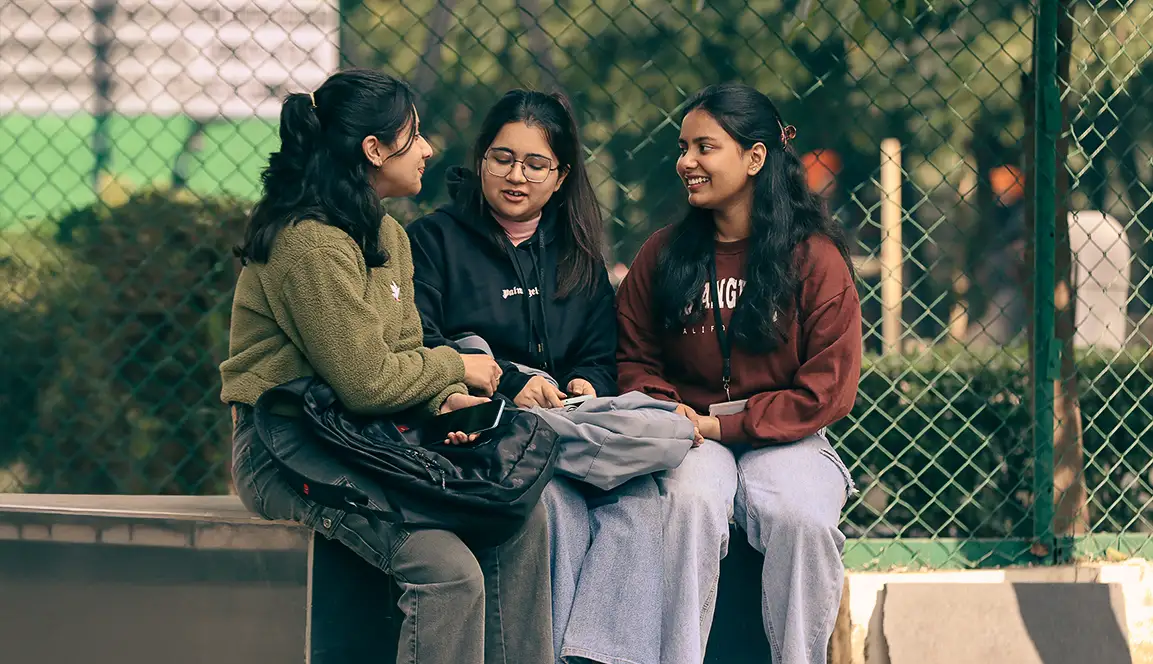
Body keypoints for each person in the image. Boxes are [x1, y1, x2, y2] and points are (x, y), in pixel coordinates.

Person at [219, 69, 552, 664]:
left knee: (516, 516)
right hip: (286, 444)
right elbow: (368, 380)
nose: (427, 148)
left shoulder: (387, 236)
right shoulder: (311, 244)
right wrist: (460, 367)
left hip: (371, 436)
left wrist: (445, 401)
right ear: (374, 150)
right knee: (447, 573)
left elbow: (401, 361)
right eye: (413, 134)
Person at [407, 89, 665, 664]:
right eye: (502, 158)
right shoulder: (434, 241)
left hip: (570, 429)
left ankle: (597, 653)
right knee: (552, 511)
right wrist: (506, 383)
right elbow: (423, 343)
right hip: (483, 435)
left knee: (645, 503)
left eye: (536, 164)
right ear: (480, 161)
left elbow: (601, 354)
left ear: (561, 175)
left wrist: (585, 386)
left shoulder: (577, 254)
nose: (515, 176)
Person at [615, 82, 861, 664]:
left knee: (801, 515)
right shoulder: (663, 253)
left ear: (754, 158)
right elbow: (634, 355)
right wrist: (664, 408)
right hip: (686, 432)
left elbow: (828, 386)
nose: (686, 162)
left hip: (787, 437)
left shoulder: (813, 257)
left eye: (705, 147)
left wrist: (725, 426)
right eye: (682, 148)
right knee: (688, 503)